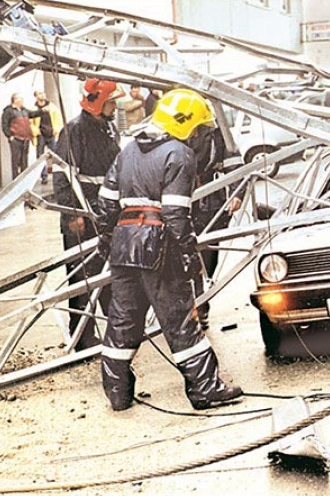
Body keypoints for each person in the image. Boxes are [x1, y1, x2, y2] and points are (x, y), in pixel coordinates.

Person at [95, 88, 243, 412]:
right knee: (180, 321)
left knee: (122, 321)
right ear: (188, 125)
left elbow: (105, 204)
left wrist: (107, 241)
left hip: (124, 245)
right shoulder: (180, 154)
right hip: (158, 247)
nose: (201, 136)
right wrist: (190, 256)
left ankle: (117, 393)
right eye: (199, 129)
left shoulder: (128, 150)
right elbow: (176, 214)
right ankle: (206, 388)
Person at [53, 79, 123, 351]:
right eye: (111, 101)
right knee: (82, 277)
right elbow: (62, 173)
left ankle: (114, 329)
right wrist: (73, 214)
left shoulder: (106, 127)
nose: (115, 106)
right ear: (98, 103)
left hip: (102, 212)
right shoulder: (74, 130)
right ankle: (82, 336)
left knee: (106, 274)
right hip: (81, 216)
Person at [192, 127, 243, 329]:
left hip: (211, 206)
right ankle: (194, 307)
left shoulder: (216, 134)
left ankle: (201, 305)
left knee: (207, 258)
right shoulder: (169, 132)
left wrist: (237, 193)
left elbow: (235, 165)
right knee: (186, 260)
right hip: (183, 205)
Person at [30, 90, 63, 184]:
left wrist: (55, 129)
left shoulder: (52, 107)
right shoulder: (33, 109)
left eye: (43, 93)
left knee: (56, 155)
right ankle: (44, 176)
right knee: (40, 157)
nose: (43, 95)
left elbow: (58, 119)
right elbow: (30, 123)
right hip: (40, 135)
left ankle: (59, 175)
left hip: (51, 134)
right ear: (36, 96)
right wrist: (36, 131)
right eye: (40, 93)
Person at [1, 93, 36, 178]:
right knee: (16, 161)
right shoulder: (8, 111)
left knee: (24, 161)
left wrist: (42, 111)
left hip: (25, 138)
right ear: (15, 100)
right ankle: (16, 180)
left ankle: (24, 179)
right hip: (16, 138)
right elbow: (4, 124)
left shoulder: (24, 111)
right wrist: (10, 136)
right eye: (21, 99)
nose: (23, 101)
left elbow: (33, 114)